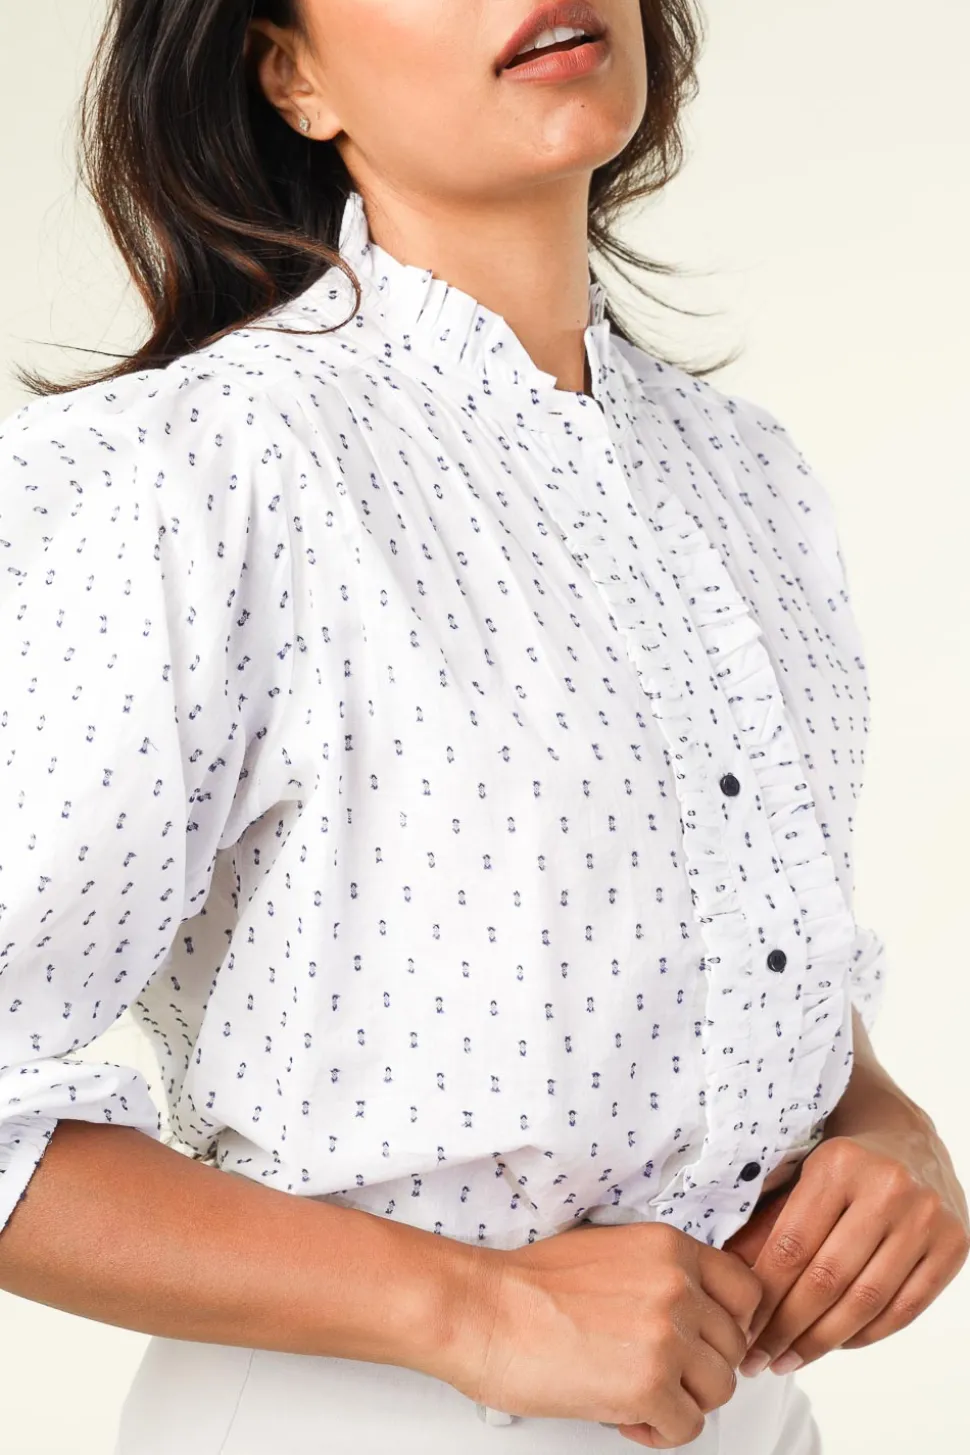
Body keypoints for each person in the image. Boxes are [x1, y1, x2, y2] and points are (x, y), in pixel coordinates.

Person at [0, 2, 966, 1452]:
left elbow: (722, 928)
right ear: (291, 72)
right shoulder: (199, 476)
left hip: (749, 1413)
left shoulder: (741, 474)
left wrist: (878, 1126)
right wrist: (477, 1310)